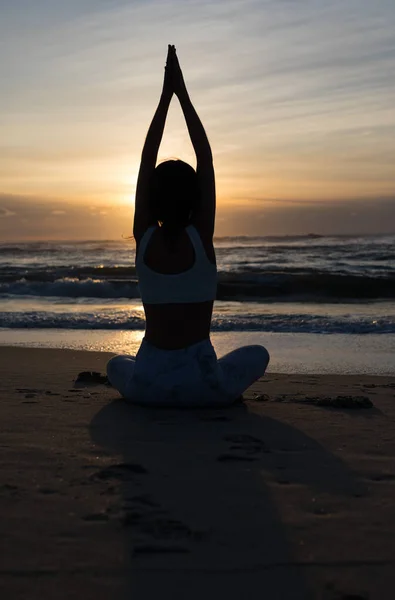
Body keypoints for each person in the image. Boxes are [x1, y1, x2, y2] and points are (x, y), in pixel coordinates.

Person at [107, 45, 269, 407]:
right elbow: (206, 158)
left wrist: (164, 97)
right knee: (258, 354)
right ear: (195, 199)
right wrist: (182, 93)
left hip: (148, 385)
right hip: (204, 387)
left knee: (116, 363)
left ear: (152, 198)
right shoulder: (201, 237)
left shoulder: (144, 237)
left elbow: (146, 160)